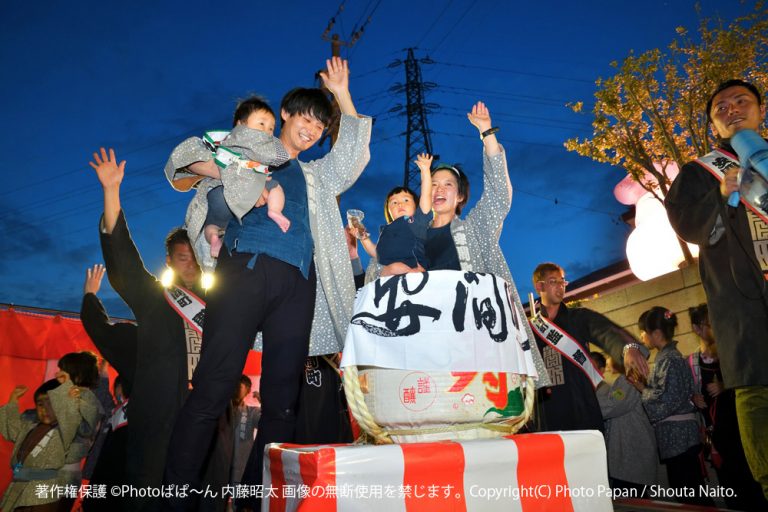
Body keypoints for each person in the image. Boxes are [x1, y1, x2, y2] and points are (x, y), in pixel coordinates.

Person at [163, 56, 371, 510]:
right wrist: (236, 173)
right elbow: (184, 159)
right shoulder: (250, 151)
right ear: (286, 115)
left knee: (282, 402)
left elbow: (354, 155)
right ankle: (175, 498)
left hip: (298, 287)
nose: (313, 129)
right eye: (307, 118)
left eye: (321, 124)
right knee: (214, 389)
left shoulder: (316, 175)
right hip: (245, 271)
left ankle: (260, 501)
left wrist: (342, 94)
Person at [89, 151, 231, 512]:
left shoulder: (223, 304)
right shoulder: (157, 299)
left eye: (195, 256)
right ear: (169, 260)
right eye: (182, 257)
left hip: (210, 420)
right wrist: (111, 191)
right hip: (159, 420)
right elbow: (125, 264)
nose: (190, 264)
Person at [665, 78, 768, 498]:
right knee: (757, 392)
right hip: (741, 303)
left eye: (741, 101)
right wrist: (722, 197)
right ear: (713, 124)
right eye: (720, 107)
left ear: (760, 110)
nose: (731, 109)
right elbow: (687, 223)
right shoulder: (700, 171)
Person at [164, 97, 291, 269]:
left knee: (213, 227)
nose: (267, 131)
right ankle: (274, 211)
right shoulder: (226, 142)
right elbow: (184, 154)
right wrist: (230, 174)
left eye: (271, 128)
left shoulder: (265, 154)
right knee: (275, 187)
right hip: (221, 191)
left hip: (231, 214)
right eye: (261, 124)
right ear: (240, 124)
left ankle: (216, 238)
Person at [529, 262, 649, 432]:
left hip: (581, 409)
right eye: (553, 281)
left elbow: (606, 331)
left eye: (562, 281)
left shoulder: (579, 318)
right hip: (548, 415)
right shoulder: (532, 329)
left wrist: (628, 348)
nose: (560, 286)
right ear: (539, 286)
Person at [688, 303, 767, 510]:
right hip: (716, 434)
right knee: (730, 486)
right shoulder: (693, 361)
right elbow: (691, 393)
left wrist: (725, 384)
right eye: (709, 323)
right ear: (697, 328)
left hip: (742, 425)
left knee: (754, 478)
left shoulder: (732, 350)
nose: (715, 326)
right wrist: (694, 399)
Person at [630, 307, 712, 507]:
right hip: (677, 438)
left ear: (656, 334)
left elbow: (667, 401)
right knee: (687, 492)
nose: (642, 338)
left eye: (644, 333)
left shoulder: (670, 359)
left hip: (679, 437)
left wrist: (642, 388)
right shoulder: (666, 358)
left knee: (690, 494)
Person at [0, 379, 82, 511]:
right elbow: (11, 430)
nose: (45, 409)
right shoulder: (30, 425)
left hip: (44, 491)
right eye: (40, 404)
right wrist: (13, 400)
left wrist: (71, 403)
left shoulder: (66, 429)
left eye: (51, 403)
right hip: (19, 484)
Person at [593, 352, 658, 497]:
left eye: (610, 354)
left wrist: (588, 405)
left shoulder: (628, 380)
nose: (608, 360)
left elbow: (614, 405)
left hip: (632, 454)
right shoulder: (625, 380)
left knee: (632, 500)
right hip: (630, 454)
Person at [357, 153, 433, 276]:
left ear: (416, 206)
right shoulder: (386, 230)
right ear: (389, 211)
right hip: (390, 274)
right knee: (387, 270)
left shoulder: (416, 221)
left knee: (396, 267)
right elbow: (376, 254)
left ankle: (415, 274)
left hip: (413, 267)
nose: (400, 204)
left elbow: (426, 196)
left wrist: (425, 171)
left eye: (406, 200)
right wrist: (364, 238)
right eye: (394, 203)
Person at [230, 376, 259, 487]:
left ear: (248, 390)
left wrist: (264, 402)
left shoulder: (252, 412)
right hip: (221, 468)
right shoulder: (219, 411)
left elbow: (266, 421)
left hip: (241, 470)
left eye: (240, 386)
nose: (236, 390)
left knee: (238, 503)